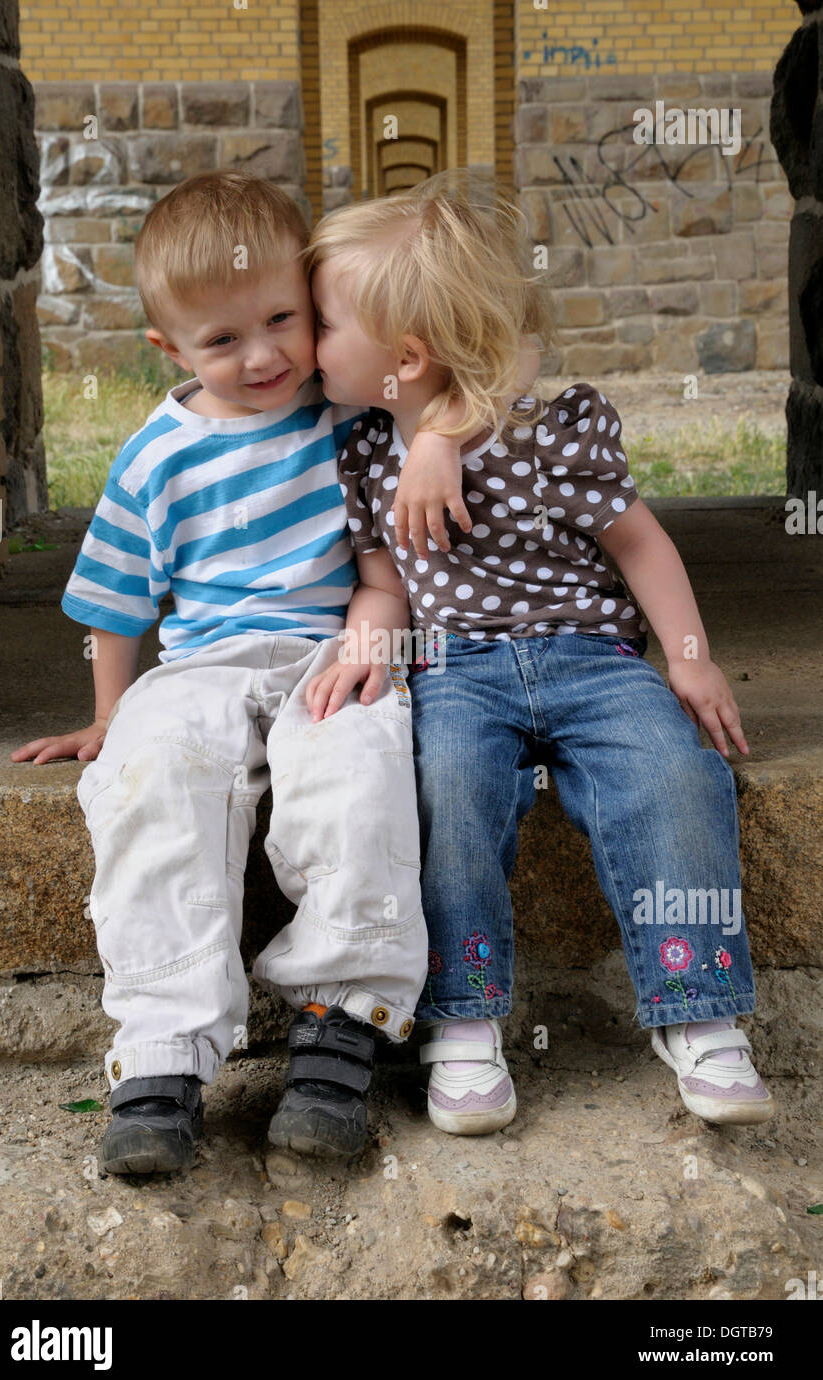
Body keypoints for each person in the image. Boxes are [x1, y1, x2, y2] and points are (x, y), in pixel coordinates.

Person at [301, 170, 775, 1136]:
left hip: (593, 660)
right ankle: (463, 1022)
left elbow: (639, 540)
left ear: (407, 353)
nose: (307, 345)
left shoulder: (547, 432)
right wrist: (370, 641)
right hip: (455, 671)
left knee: (677, 777)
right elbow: (385, 580)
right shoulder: (361, 455)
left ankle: (703, 1012)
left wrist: (687, 656)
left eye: (319, 324)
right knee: (439, 789)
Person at [11, 171, 464, 1170]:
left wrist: (373, 637)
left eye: (281, 321)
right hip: (202, 664)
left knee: (360, 767)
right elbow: (117, 604)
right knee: (152, 782)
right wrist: (108, 715)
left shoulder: (347, 415)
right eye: (222, 340)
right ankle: (162, 1057)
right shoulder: (153, 460)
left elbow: (462, 387)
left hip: (331, 648)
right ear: (168, 350)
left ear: (311, 303)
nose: (262, 356)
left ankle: (341, 1030)